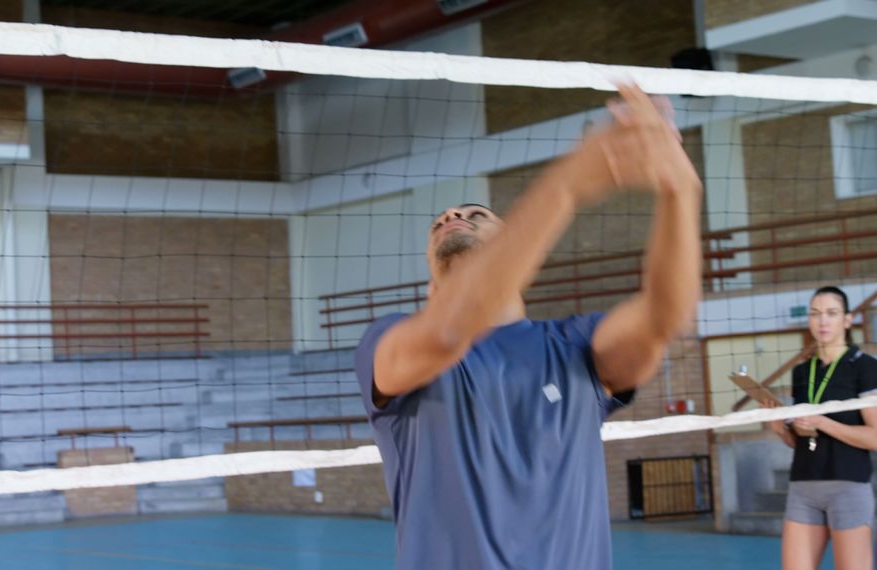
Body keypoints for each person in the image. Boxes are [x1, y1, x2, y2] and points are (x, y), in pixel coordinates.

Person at [354, 84, 702, 568]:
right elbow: (450, 329)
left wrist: (680, 190)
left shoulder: (574, 347)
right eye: (441, 222)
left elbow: (666, 315)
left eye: (477, 215)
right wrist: (565, 185)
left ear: (512, 247)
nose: (454, 215)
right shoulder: (388, 340)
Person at [764, 286, 877, 570]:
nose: (822, 321)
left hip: (848, 485)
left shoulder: (865, 367)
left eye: (831, 313)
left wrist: (823, 421)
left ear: (847, 320)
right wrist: (780, 427)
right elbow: (799, 440)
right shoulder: (802, 371)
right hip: (803, 486)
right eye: (815, 314)